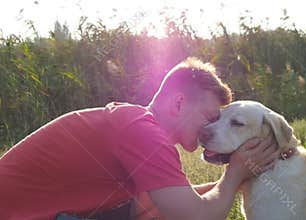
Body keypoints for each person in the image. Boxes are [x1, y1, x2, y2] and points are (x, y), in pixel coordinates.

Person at [0, 57, 280, 220]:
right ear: (179, 103)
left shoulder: (136, 127)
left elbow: (164, 203)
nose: (210, 130)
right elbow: (196, 215)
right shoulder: (143, 132)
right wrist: (234, 173)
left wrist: (241, 182)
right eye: (208, 118)